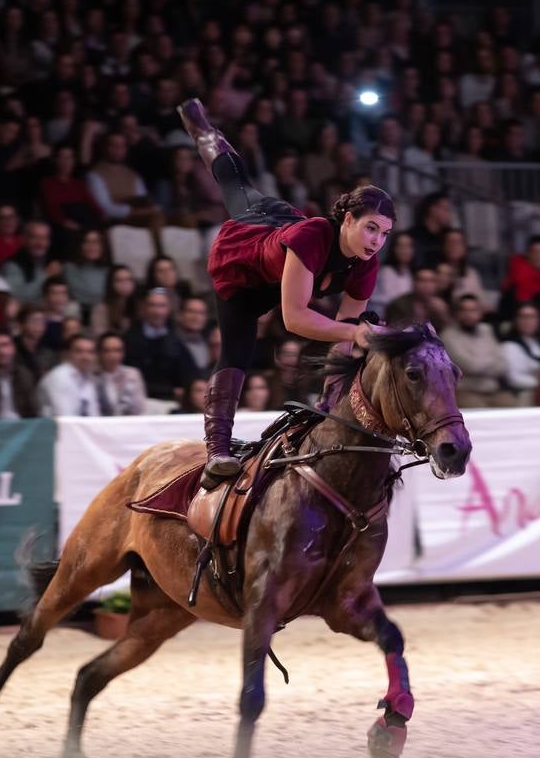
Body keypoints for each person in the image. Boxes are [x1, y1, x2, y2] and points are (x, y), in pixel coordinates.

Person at [177, 97, 394, 487]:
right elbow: (294, 318)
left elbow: (342, 339)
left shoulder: (367, 262)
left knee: (241, 185)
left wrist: (330, 401)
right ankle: (217, 451)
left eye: (384, 233)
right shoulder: (314, 235)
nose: (377, 240)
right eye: (371, 227)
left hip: (281, 236)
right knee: (236, 349)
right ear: (348, 220)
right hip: (246, 264)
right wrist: (355, 332)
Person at [124, 287, 197, 401]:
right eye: (152, 305)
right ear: (144, 308)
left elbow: (189, 373)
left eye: (162, 306)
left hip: (172, 401)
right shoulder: (131, 339)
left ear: (168, 309)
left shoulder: (175, 339)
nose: (157, 311)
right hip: (141, 400)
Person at [441, 295, 513, 409]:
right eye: (464, 310)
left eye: (473, 310)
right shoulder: (448, 335)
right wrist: (490, 360)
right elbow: (470, 366)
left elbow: (503, 365)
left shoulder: (486, 330)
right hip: (466, 392)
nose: (469, 314)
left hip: (493, 390)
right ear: (457, 313)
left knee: (515, 409)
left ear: (480, 313)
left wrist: (480, 361)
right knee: (484, 417)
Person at [37, 333, 100, 416]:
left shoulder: (89, 378)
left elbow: (94, 415)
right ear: (68, 353)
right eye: (79, 351)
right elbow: (64, 416)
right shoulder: (59, 377)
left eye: (90, 352)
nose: (85, 357)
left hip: (81, 427)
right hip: (56, 427)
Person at [95, 331, 147, 415]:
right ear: (99, 353)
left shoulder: (132, 374)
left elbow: (139, 409)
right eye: (107, 351)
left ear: (123, 353)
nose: (112, 356)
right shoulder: (92, 377)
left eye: (117, 350)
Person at [501, 302, 540, 406]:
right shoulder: (509, 345)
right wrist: (537, 383)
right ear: (516, 320)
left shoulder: (536, 342)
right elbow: (514, 378)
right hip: (523, 392)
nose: (528, 321)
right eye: (523, 317)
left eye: (532, 317)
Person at [369, 231, 414, 318]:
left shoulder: (409, 272)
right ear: (393, 249)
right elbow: (395, 304)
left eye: (409, 246)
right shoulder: (386, 272)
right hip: (381, 320)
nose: (405, 251)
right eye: (401, 246)